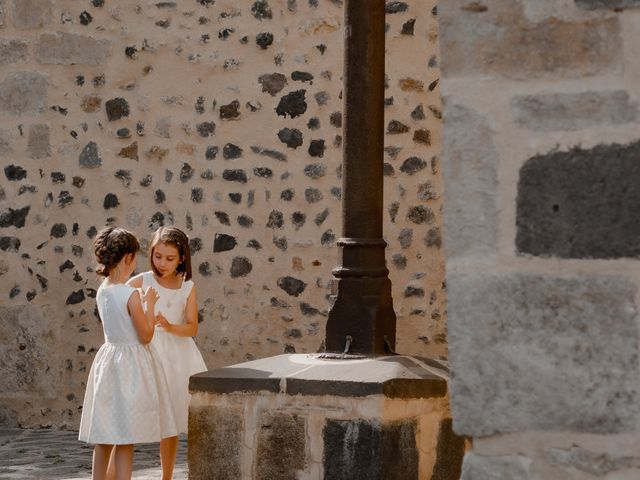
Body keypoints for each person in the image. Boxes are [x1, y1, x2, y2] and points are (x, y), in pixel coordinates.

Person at [78, 226, 177, 480]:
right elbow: (145, 335)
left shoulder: (103, 290)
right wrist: (150, 305)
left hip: (108, 363)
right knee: (125, 437)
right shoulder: (131, 294)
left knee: (104, 438)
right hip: (130, 368)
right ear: (128, 258)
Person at [128, 226, 207, 480]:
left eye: (170, 258)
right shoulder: (142, 281)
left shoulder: (187, 286)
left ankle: (167, 476)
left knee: (171, 418)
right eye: (157, 256)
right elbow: (119, 302)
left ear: (182, 258)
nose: (162, 263)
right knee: (133, 413)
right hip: (148, 352)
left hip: (178, 357)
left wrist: (170, 326)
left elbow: (192, 326)